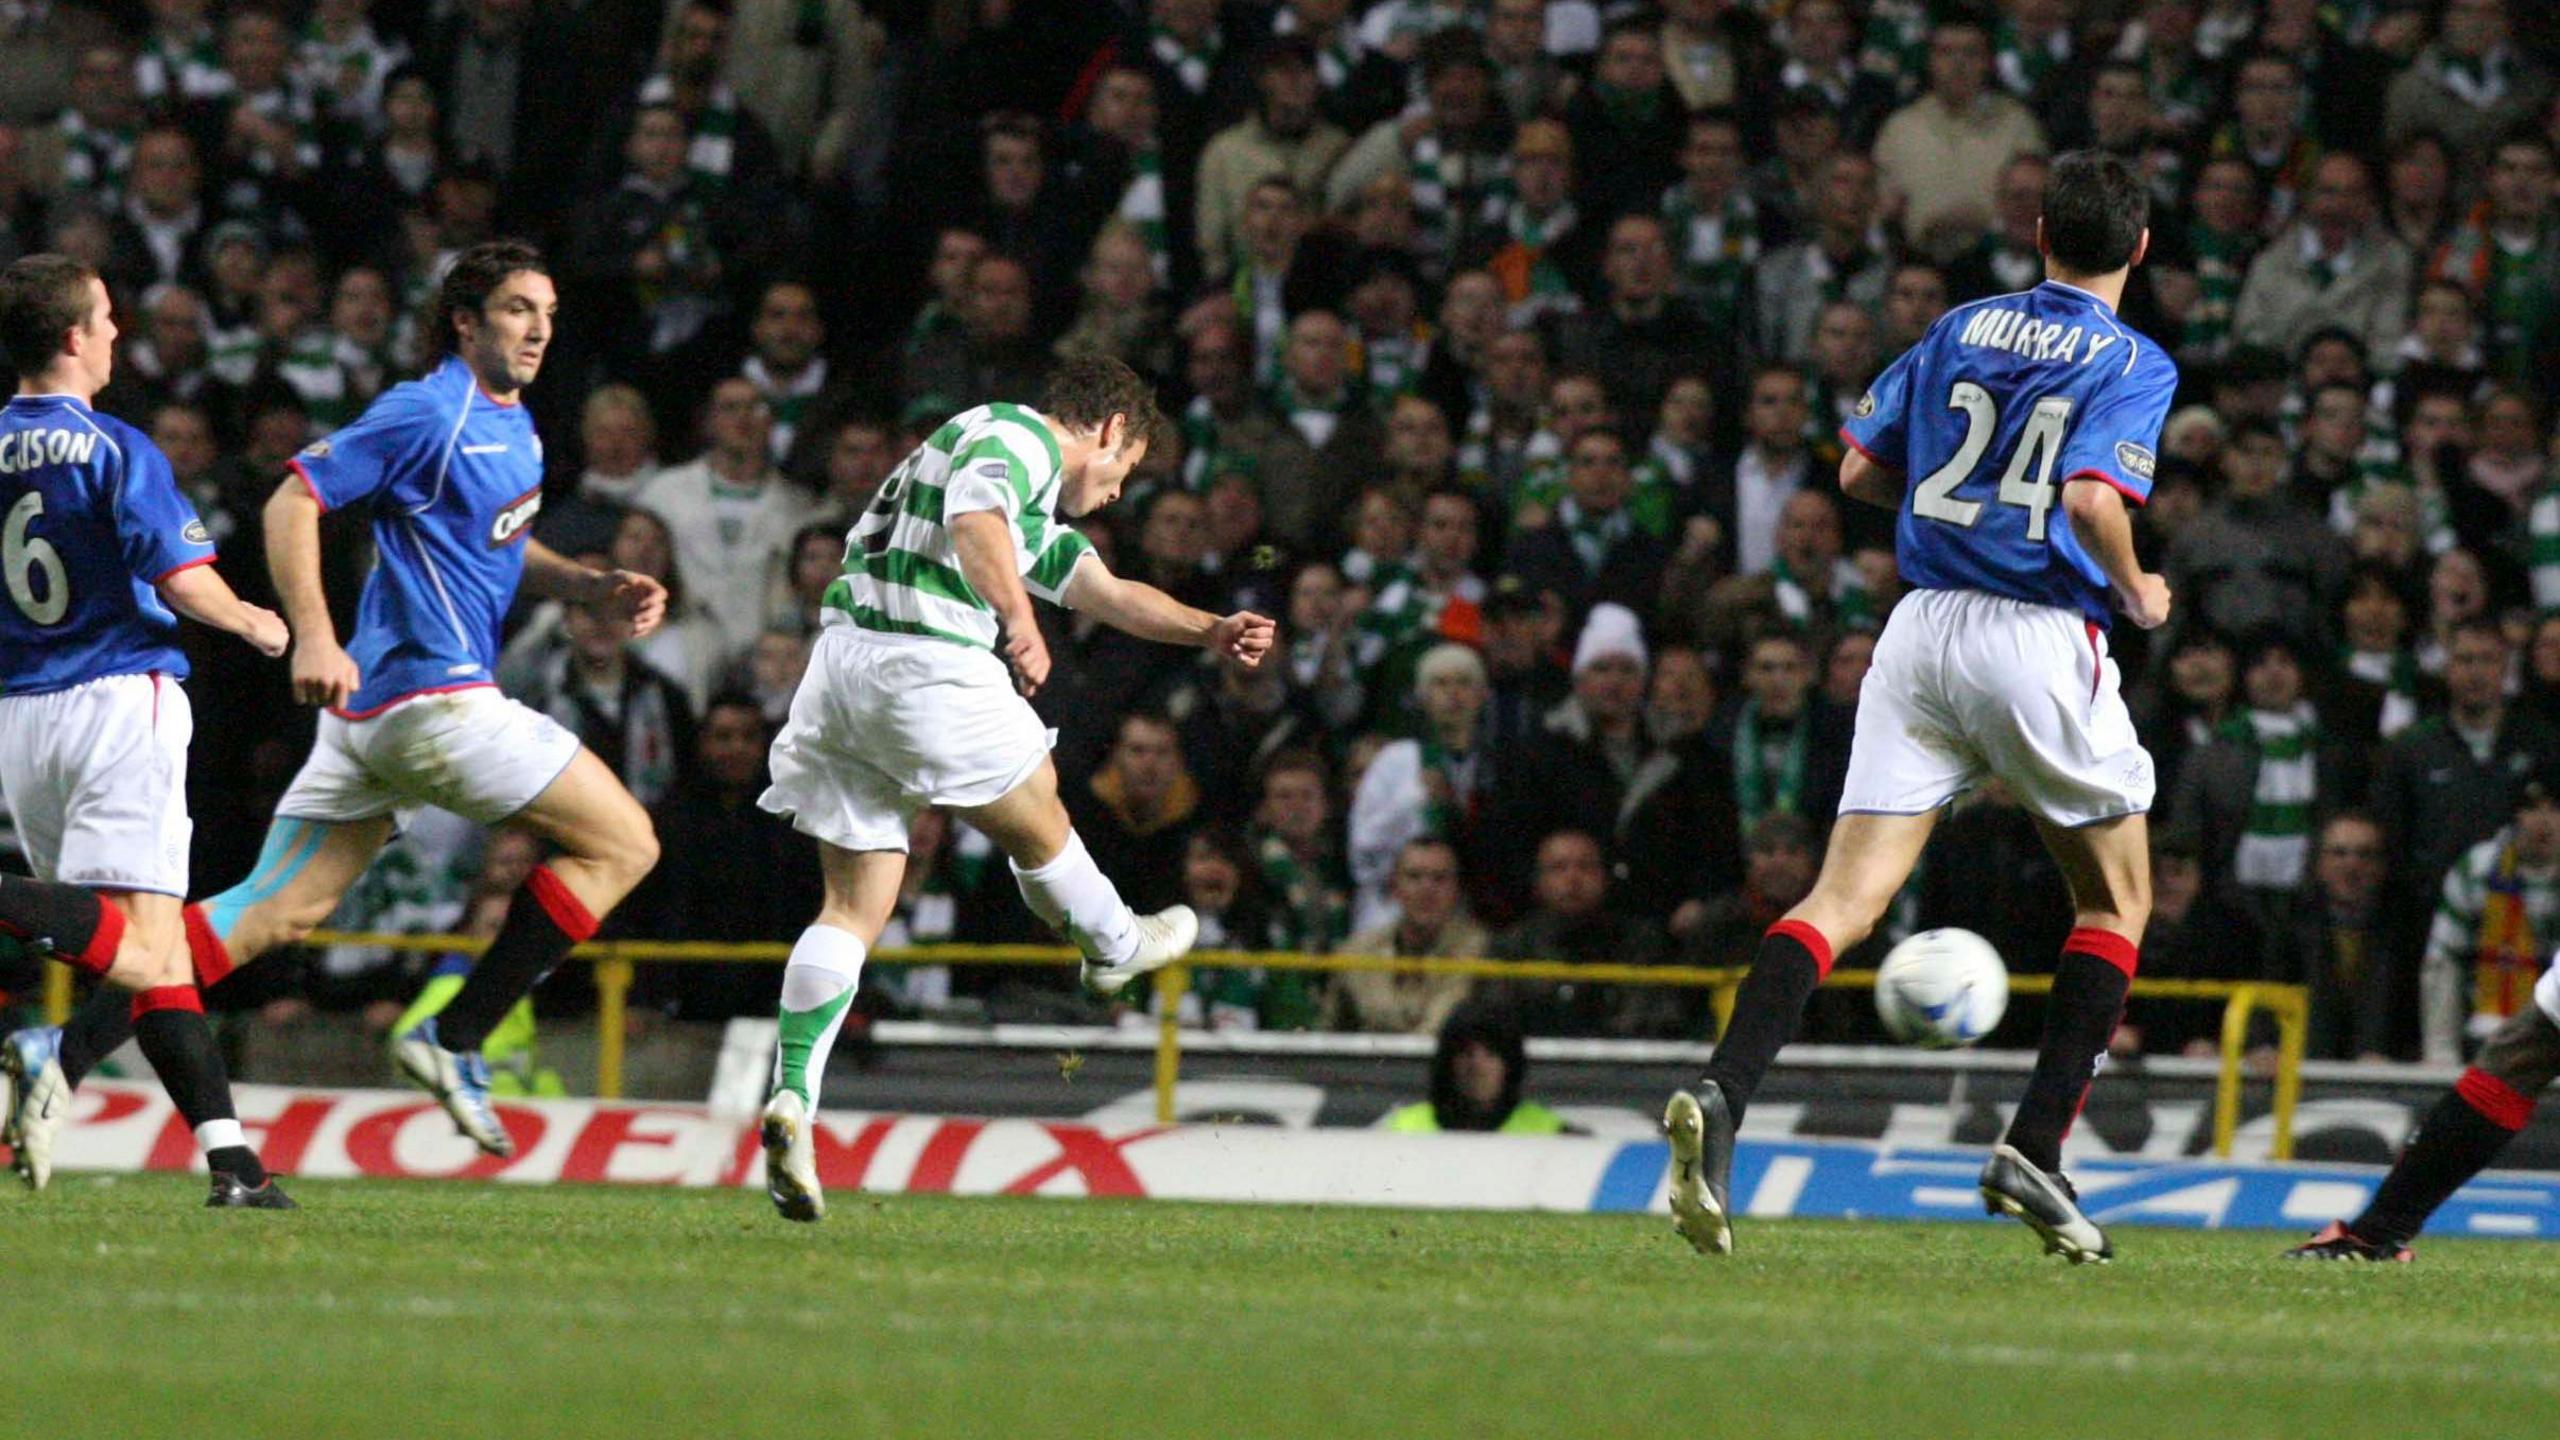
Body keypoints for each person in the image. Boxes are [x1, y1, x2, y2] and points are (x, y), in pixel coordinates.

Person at [7, 242, 669, 1168]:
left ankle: (59, 1052)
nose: (539, 329)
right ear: (466, 320)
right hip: (434, 703)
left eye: (548, 312)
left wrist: (589, 586)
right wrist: (313, 635)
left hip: (368, 732)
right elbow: (292, 502)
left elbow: (498, 547)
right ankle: (457, 1034)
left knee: (252, 923)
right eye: (519, 309)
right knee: (627, 842)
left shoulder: (512, 423)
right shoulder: (425, 410)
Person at [1663, 151, 2178, 1264]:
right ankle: (2035, 1146)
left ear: (2039, 232)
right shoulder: (2131, 358)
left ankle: (1724, 1091)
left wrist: (1970, 493)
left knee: (1840, 897)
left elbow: (1854, 477)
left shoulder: (1961, 325)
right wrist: (2137, 589)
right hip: (2036, 632)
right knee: (2114, 903)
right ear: (2138, 247)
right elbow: (2092, 497)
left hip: (1918, 626)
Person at [752, 354, 1275, 1222]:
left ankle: (791, 1099)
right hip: (923, 662)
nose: (1116, 493)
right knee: (1039, 797)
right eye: (1127, 471)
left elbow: (1105, 591)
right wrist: (1020, 619)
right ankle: (1113, 942)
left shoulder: (1015, 489)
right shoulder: (1018, 435)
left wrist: (1211, 629)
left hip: (840, 671)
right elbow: (977, 521)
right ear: (1110, 432)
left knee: (852, 907)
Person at [0, 253, 292, 1207]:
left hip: (22, 717)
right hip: (120, 698)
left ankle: (232, 1164)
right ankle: (57, 1053)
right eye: (109, 318)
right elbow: (179, 575)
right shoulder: (116, 447)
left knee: (140, 948)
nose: (119, 333)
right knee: (148, 950)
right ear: (76, 336)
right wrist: (254, 620)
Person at [1382, 996, 1566, 1134]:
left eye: (1491, 1054)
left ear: (1510, 1066)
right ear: (1447, 1062)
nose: (1477, 1065)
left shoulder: (1549, 1133)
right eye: (1466, 1053)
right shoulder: (1403, 1129)